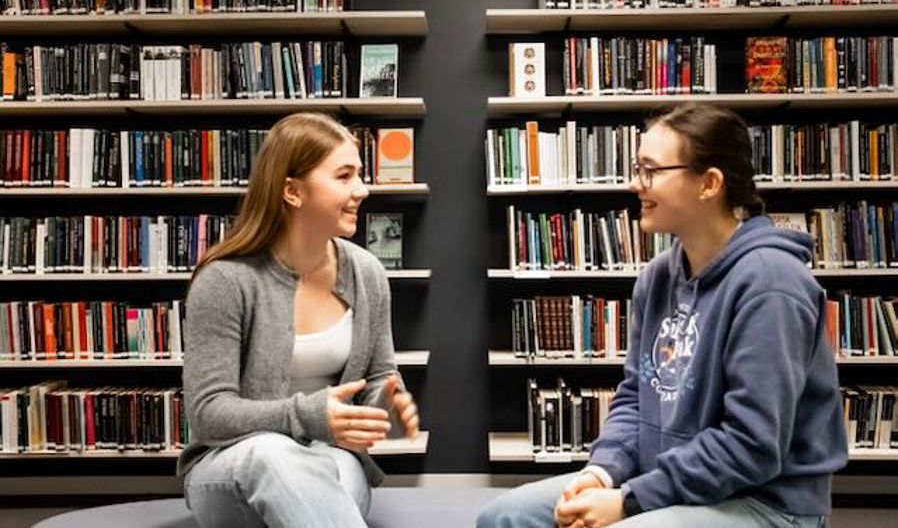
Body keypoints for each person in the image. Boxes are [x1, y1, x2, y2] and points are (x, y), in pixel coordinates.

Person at [477, 102, 848, 527]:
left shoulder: (772, 284)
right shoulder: (656, 278)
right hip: (664, 481)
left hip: (765, 501)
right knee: (506, 517)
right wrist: (602, 472)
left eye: (650, 171)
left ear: (709, 183)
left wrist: (630, 501)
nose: (636, 184)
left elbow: (752, 445)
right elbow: (635, 396)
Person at [178, 112, 420, 528]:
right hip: (233, 465)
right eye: (344, 176)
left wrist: (387, 406)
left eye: (360, 175)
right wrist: (310, 416)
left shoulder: (367, 273)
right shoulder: (225, 280)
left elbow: (381, 373)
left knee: (336, 473)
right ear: (292, 191)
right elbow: (209, 413)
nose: (362, 190)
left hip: (330, 457)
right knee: (272, 453)